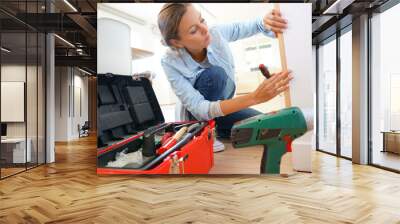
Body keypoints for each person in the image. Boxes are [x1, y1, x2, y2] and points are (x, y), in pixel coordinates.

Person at [158, 3, 292, 152]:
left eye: (202, 20)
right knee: (215, 75)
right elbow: (199, 108)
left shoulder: (215, 33)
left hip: (222, 109)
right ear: (176, 42)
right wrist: (255, 97)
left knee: (271, 127)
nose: (204, 29)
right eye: (194, 30)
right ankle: (204, 132)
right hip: (199, 116)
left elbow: (253, 25)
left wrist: (266, 21)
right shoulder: (169, 62)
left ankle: (220, 129)